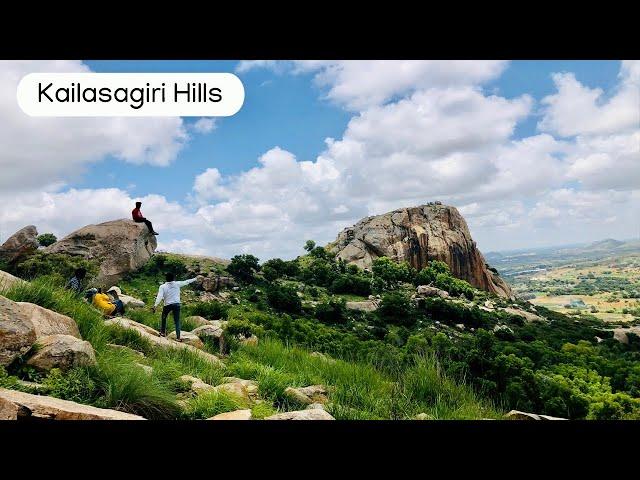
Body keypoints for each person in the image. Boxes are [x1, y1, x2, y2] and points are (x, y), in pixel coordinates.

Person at [152, 272, 198, 340]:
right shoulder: (177, 284)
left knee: (164, 317)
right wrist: (195, 278)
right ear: (173, 278)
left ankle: (162, 332)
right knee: (177, 321)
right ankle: (178, 337)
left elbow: (159, 297)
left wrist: (155, 306)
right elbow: (187, 282)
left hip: (167, 305)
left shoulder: (162, 286)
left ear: (166, 278)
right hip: (176, 305)